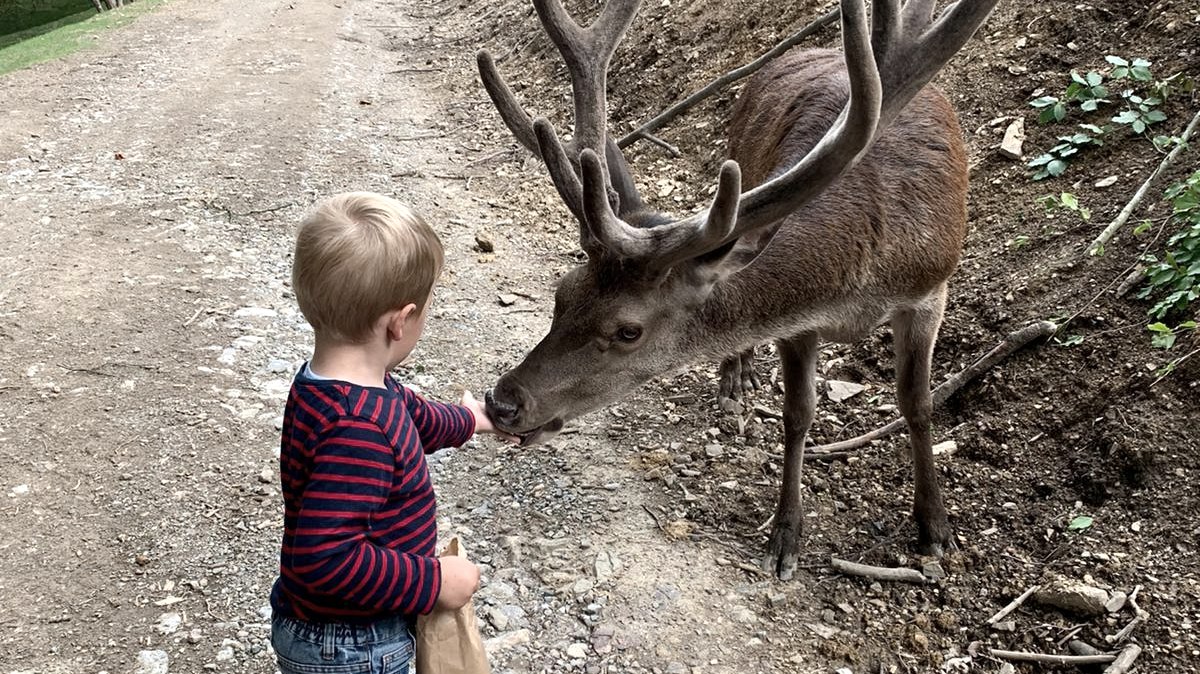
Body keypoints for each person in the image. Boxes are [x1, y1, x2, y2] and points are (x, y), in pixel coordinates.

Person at [269, 192, 510, 673]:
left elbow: (415, 419)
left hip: (338, 630)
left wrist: (472, 420)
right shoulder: (358, 427)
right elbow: (327, 558)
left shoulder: (338, 384)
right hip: (352, 643)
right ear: (399, 322)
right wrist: (433, 583)